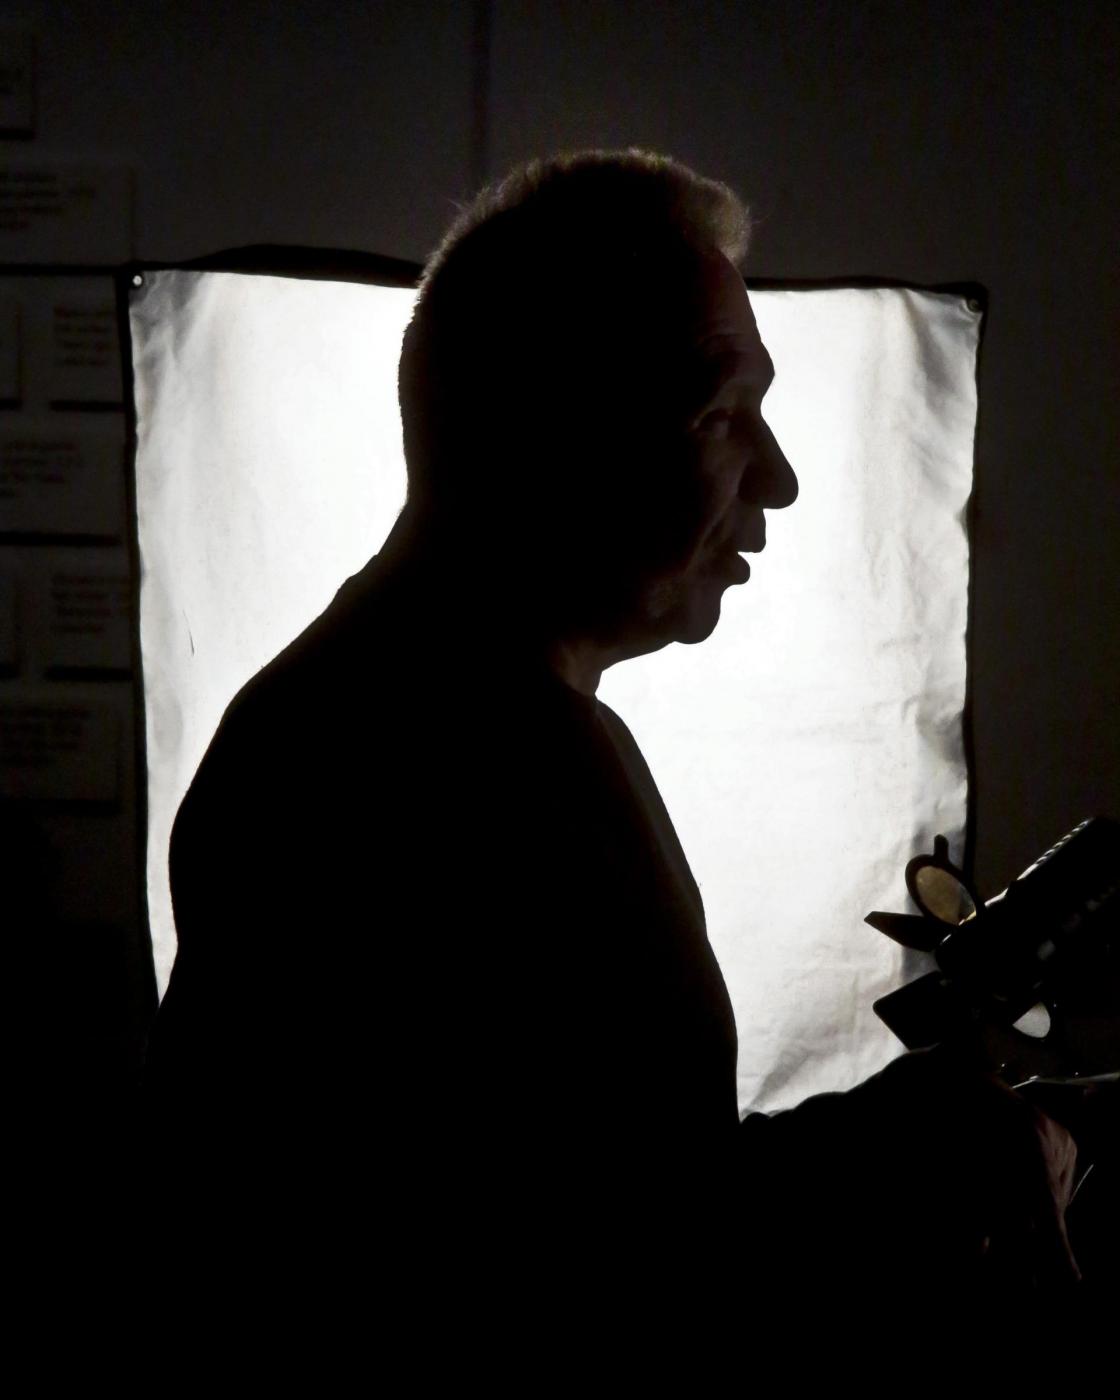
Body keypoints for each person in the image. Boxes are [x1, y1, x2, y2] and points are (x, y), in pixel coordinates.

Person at [142, 150, 1078, 1321]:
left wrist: (908, 1131)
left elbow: (598, 1181)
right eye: (720, 412)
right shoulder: (464, 761)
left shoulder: (364, 707)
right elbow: (592, 1284)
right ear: (550, 429)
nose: (778, 479)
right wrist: (927, 1150)